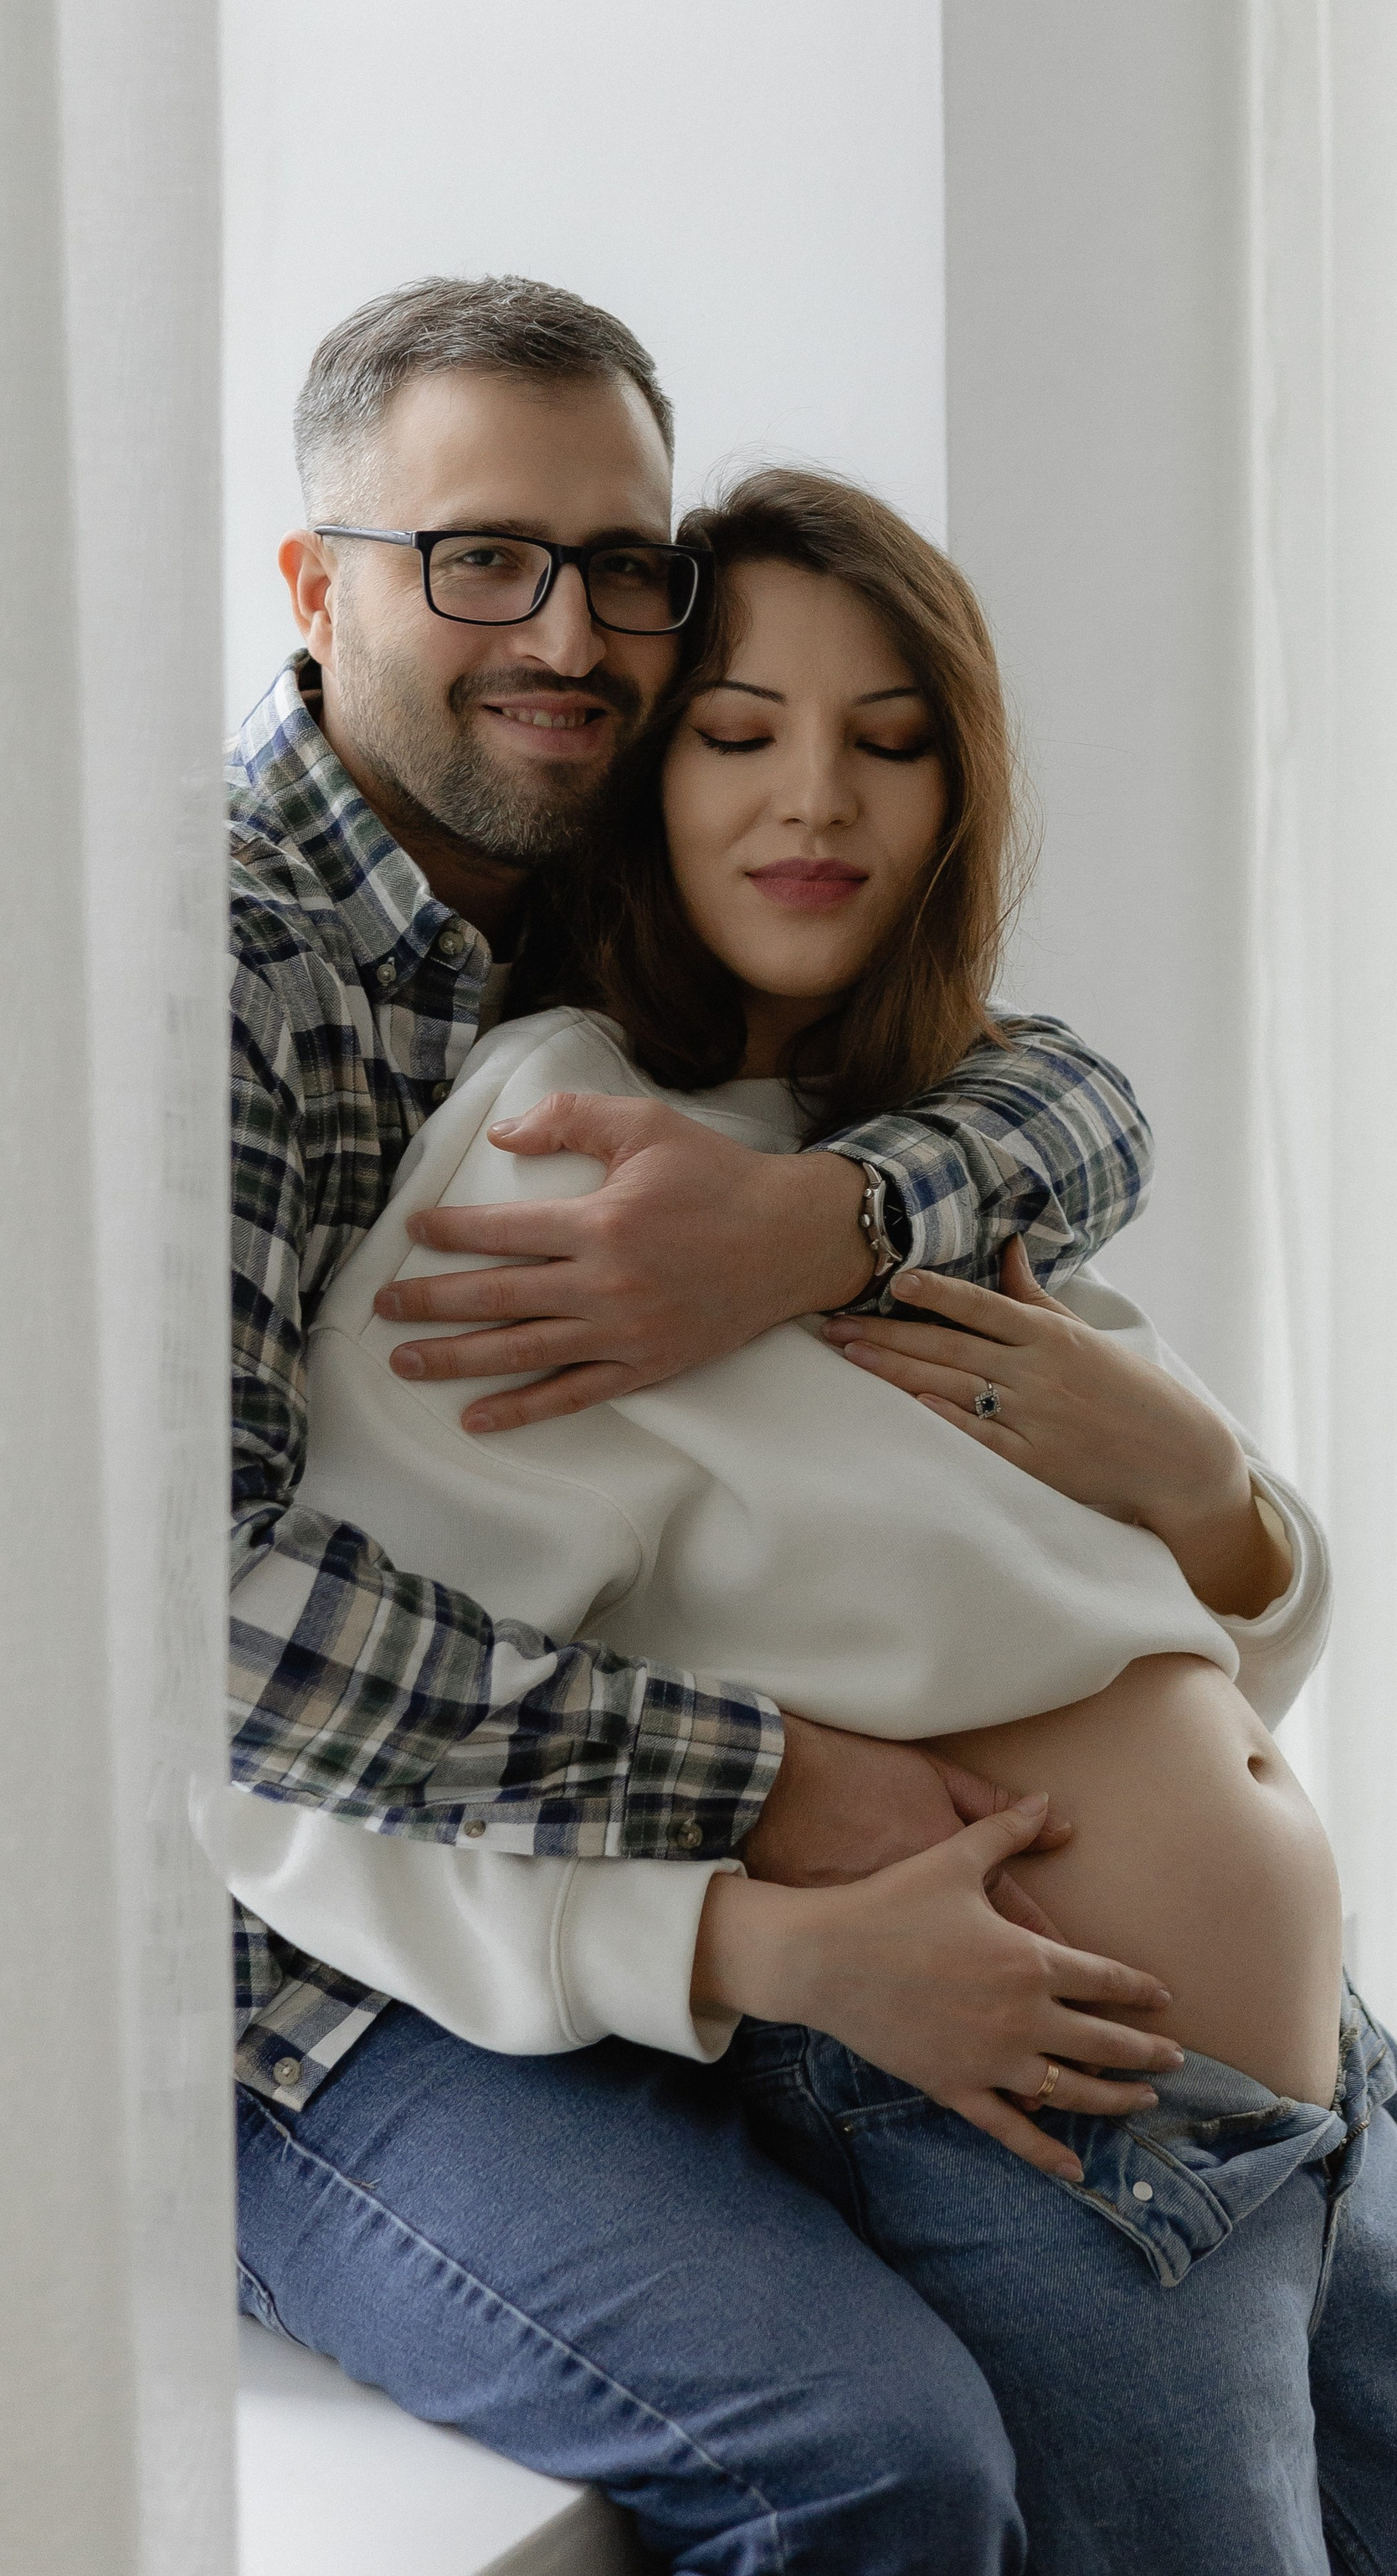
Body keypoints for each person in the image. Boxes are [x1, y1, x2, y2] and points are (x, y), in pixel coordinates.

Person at [228, 456, 1397, 2575]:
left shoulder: (923, 1154)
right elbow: (315, 1788)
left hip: (1302, 2093)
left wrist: (1209, 1501)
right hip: (1051, 2119)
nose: (814, 799)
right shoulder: (557, 1167)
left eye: (887, 744)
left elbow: (1130, 1637)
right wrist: (756, 1948)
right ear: (644, 780)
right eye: (736, 733)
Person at [226, 275, 1186, 2575]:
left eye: (620, 564)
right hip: (293, 2007)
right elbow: (198, 1630)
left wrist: (819, 1225)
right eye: (480, 557)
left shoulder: (581, 881)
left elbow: (1069, 1090)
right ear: (315, 583)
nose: (564, 631)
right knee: (874, 2454)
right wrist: (763, 1796)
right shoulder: (231, 974)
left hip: (606, 1906)